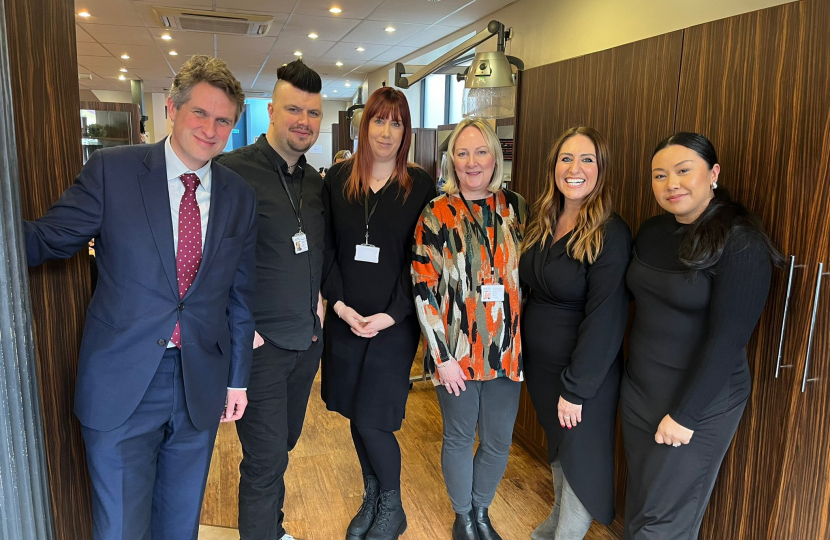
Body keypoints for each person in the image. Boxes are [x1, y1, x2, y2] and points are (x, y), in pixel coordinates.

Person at [23, 55, 257, 540]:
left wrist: (237, 380)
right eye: (200, 113)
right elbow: (49, 238)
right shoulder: (114, 171)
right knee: (121, 528)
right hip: (121, 383)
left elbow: (240, 293)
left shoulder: (239, 194)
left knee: (179, 525)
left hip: (199, 384)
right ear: (172, 109)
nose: (211, 129)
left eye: (224, 120)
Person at [621, 132, 780, 539]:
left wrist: (686, 414)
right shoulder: (653, 230)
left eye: (683, 170)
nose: (671, 183)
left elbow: (729, 338)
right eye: (659, 175)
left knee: (665, 520)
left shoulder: (741, 242)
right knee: (641, 504)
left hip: (697, 400)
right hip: (641, 391)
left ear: (713, 173)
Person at [215, 59, 325, 540]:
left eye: (313, 113)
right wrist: (243, 332)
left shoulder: (317, 184)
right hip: (259, 349)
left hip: (305, 343)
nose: (304, 120)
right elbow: (204, 261)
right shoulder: (231, 173)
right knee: (263, 460)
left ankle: (272, 529)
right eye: (294, 109)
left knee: (282, 446)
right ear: (271, 114)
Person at [320, 87, 436, 540]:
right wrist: (341, 307)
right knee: (354, 411)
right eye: (379, 120)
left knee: (374, 417)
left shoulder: (420, 186)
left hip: (393, 324)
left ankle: (393, 503)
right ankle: (372, 493)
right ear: (363, 124)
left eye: (396, 123)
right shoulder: (337, 180)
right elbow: (327, 250)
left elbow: (423, 261)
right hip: (346, 318)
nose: (386, 132)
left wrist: (392, 315)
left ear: (405, 131)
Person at [412, 118, 527, 540]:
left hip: (506, 351)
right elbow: (423, 288)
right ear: (451, 160)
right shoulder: (436, 213)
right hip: (456, 352)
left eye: (481, 152)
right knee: (460, 437)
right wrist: (441, 358)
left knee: (498, 442)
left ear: (495, 157)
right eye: (462, 153)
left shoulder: (516, 208)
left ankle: (481, 511)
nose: (472, 161)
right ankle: (463, 517)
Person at [518, 127, 631, 540]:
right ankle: (556, 519)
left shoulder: (611, 232)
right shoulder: (542, 216)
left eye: (587, 160)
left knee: (583, 458)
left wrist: (577, 388)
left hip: (582, 373)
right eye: (566, 158)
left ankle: (567, 533)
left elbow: (607, 317)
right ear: (554, 166)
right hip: (542, 366)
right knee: (560, 449)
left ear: (601, 170)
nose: (575, 168)